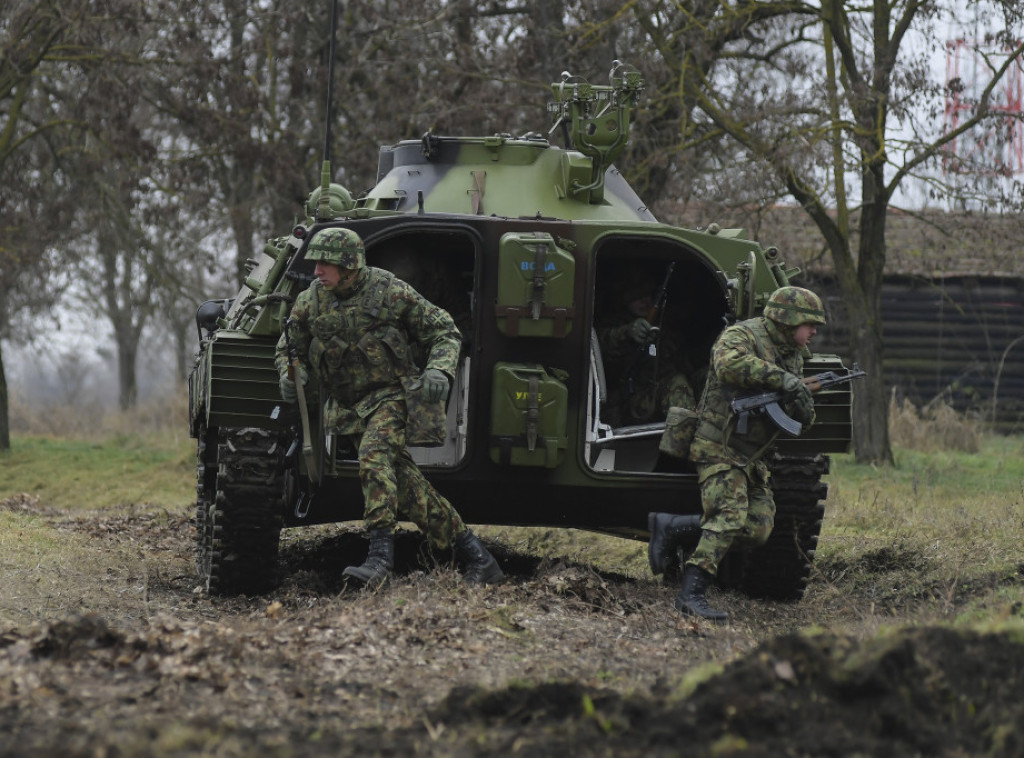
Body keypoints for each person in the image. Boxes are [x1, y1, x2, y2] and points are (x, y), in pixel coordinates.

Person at [274, 227, 503, 589]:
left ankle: (380, 559)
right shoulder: (310, 301)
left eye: (325, 263)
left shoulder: (389, 290)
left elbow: (444, 330)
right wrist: (291, 375)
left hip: (392, 397)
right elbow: (290, 348)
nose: (317, 270)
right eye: (316, 262)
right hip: (349, 410)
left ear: (349, 266)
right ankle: (478, 556)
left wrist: (439, 368)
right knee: (409, 487)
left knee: (374, 456)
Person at [647, 286, 826, 622]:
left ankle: (673, 527)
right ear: (789, 319)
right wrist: (783, 380)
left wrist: (802, 406)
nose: (814, 331)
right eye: (810, 323)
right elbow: (728, 365)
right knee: (728, 518)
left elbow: (800, 415)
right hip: (719, 446)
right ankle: (691, 595)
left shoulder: (793, 353)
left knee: (757, 528)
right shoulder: (742, 335)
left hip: (752, 457)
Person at [597, 268, 698, 429]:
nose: (645, 302)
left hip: (658, 393)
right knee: (677, 384)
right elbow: (606, 342)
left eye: (647, 296)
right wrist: (628, 332)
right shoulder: (614, 323)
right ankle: (682, 444)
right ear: (625, 300)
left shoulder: (664, 322)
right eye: (637, 298)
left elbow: (679, 358)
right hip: (629, 402)